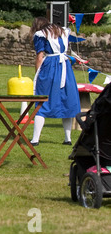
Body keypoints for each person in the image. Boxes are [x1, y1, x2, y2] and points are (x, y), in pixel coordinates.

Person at [29, 17, 81, 146]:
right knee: (67, 101)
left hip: (51, 66)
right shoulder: (62, 31)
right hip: (65, 66)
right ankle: (67, 138)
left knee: (42, 100)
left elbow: (40, 56)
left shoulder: (41, 34)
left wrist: (37, 73)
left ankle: (35, 139)